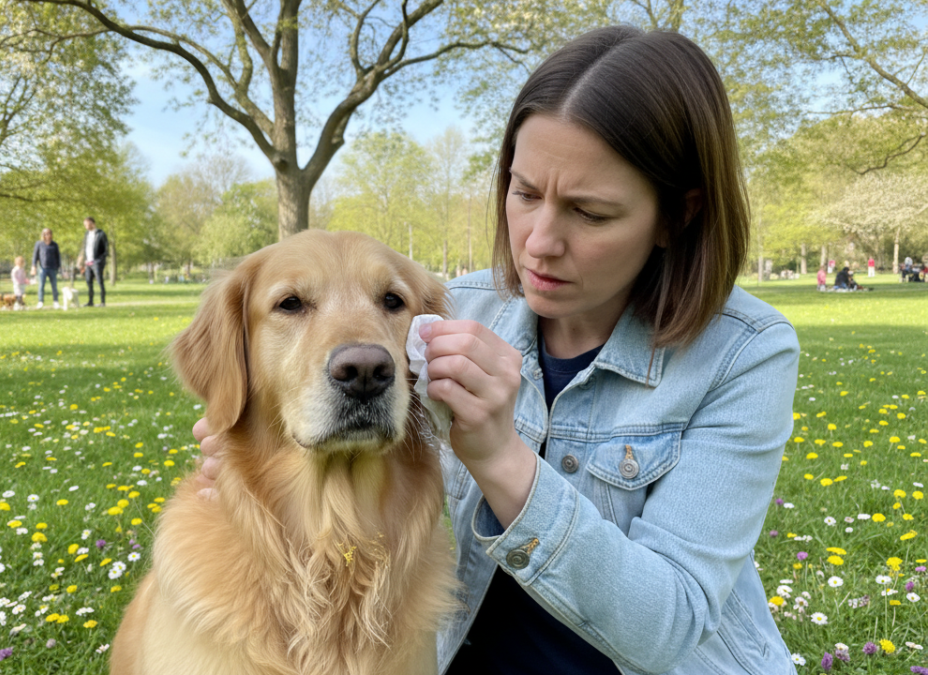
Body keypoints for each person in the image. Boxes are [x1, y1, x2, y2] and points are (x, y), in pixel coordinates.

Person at [195, 26, 799, 675]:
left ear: (677, 216)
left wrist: (502, 458)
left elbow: (668, 626)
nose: (537, 242)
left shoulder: (745, 353)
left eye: (590, 213)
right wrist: (242, 451)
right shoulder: (449, 306)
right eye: (525, 192)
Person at [81, 216, 108, 307]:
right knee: (88, 281)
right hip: (88, 262)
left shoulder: (101, 234)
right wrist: (84, 259)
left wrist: (100, 260)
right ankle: (90, 301)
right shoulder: (86, 234)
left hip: (97, 262)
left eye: (87, 224)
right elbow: (85, 248)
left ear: (93, 223)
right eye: (85, 224)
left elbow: (105, 249)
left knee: (100, 281)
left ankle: (102, 302)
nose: (86, 226)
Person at [32, 227, 61, 309]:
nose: (46, 235)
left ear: (51, 235)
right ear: (42, 235)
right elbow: (35, 256)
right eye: (45, 234)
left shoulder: (54, 245)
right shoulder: (39, 244)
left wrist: (59, 267)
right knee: (41, 285)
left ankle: (56, 301)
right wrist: (33, 266)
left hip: (53, 268)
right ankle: (40, 301)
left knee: (54, 286)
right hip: (42, 268)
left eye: (48, 233)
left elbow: (58, 257)